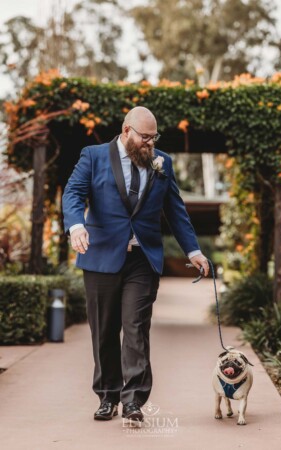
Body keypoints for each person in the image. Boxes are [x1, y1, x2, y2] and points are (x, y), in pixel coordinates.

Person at [62, 106, 209, 423]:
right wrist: (76, 226)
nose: (150, 144)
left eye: (154, 137)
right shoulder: (94, 155)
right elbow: (73, 192)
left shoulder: (162, 162)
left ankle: (133, 401)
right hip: (100, 255)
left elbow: (175, 209)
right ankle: (107, 396)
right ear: (127, 131)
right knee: (103, 331)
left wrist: (193, 250)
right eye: (145, 137)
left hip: (143, 258)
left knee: (135, 328)